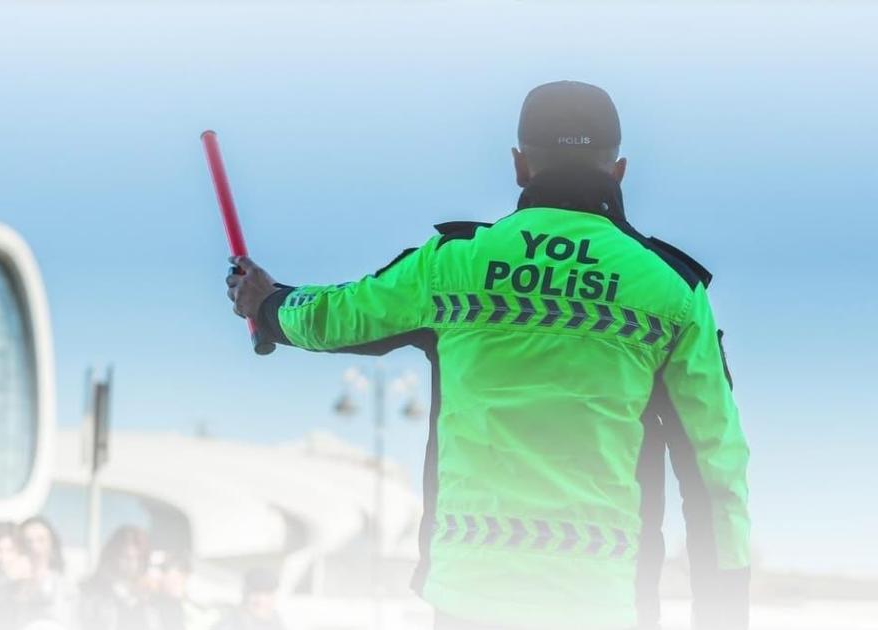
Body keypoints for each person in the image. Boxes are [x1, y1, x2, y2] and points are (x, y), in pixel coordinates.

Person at [225, 81, 750, 630]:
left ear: (520, 166)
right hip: (603, 601)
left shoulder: (450, 264)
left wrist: (268, 304)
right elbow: (716, 466)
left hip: (468, 594)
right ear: (619, 171)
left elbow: (339, 315)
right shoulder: (673, 291)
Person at [78, 525, 162, 630]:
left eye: (138, 558)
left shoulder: (151, 597)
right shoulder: (89, 592)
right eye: (125, 557)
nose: (132, 563)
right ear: (112, 556)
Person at [20, 516, 74, 628]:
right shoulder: (11, 581)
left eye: (41, 540)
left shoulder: (66, 582)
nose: (34, 547)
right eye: (28, 541)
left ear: (51, 543)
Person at [213, 568, 286, 630]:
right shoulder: (229, 621)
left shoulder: (276, 621)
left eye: (267, 594)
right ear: (245, 594)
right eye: (255, 593)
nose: (261, 600)